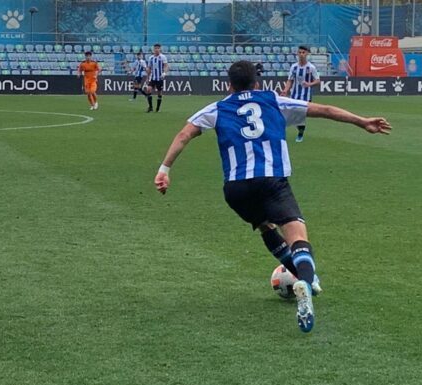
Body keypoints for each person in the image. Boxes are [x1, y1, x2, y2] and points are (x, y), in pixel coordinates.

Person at [153, 61, 391, 333]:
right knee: (298, 234)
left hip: (235, 189)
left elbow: (185, 134)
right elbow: (323, 110)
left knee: (266, 226)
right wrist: (362, 122)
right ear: (257, 83)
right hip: (271, 180)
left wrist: (165, 169)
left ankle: (308, 281)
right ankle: (304, 281)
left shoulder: (218, 107)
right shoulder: (273, 100)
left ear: (228, 85)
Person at [281, 45, 320, 143]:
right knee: (293, 116)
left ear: (307, 54)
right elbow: (290, 80)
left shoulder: (311, 67)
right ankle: (300, 130)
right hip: (294, 95)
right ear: (297, 53)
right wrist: (285, 90)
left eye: (304, 53)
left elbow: (318, 81)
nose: (302, 54)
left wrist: (309, 84)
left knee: (300, 115)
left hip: (305, 96)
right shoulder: (294, 67)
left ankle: (300, 134)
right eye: (300, 52)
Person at [145, 43, 169, 113]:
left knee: (159, 92)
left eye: (158, 48)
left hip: (160, 78)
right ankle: (150, 107)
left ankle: (158, 108)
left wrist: (164, 73)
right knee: (148, 89)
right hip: (153, 77)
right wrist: (147, 77)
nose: (157, 50)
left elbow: (166, 66)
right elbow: (149, 68)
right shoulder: (151, 58)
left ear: (160, 49)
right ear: (153, 49)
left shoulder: (163, 57)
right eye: (155, 48)